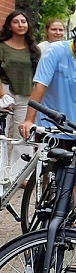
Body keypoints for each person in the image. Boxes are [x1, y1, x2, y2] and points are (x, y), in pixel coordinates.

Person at [18, 20, 76, 208]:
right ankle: (44, 208)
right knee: (47, 169)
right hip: (49, 120)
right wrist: (29, 120)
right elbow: (40, 85)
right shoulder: (55, 51)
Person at [0, 11, 42, 180]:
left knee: (23, 133)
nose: (20, 24)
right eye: (16, 22)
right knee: (2, 134)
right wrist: (2, 96)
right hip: (5, 92)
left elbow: (39, 75)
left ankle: (19, 175)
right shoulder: (2, 46)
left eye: (23, 21)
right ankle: (2, 174)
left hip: (26, 94)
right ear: (9, 25)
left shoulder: (33, 48)